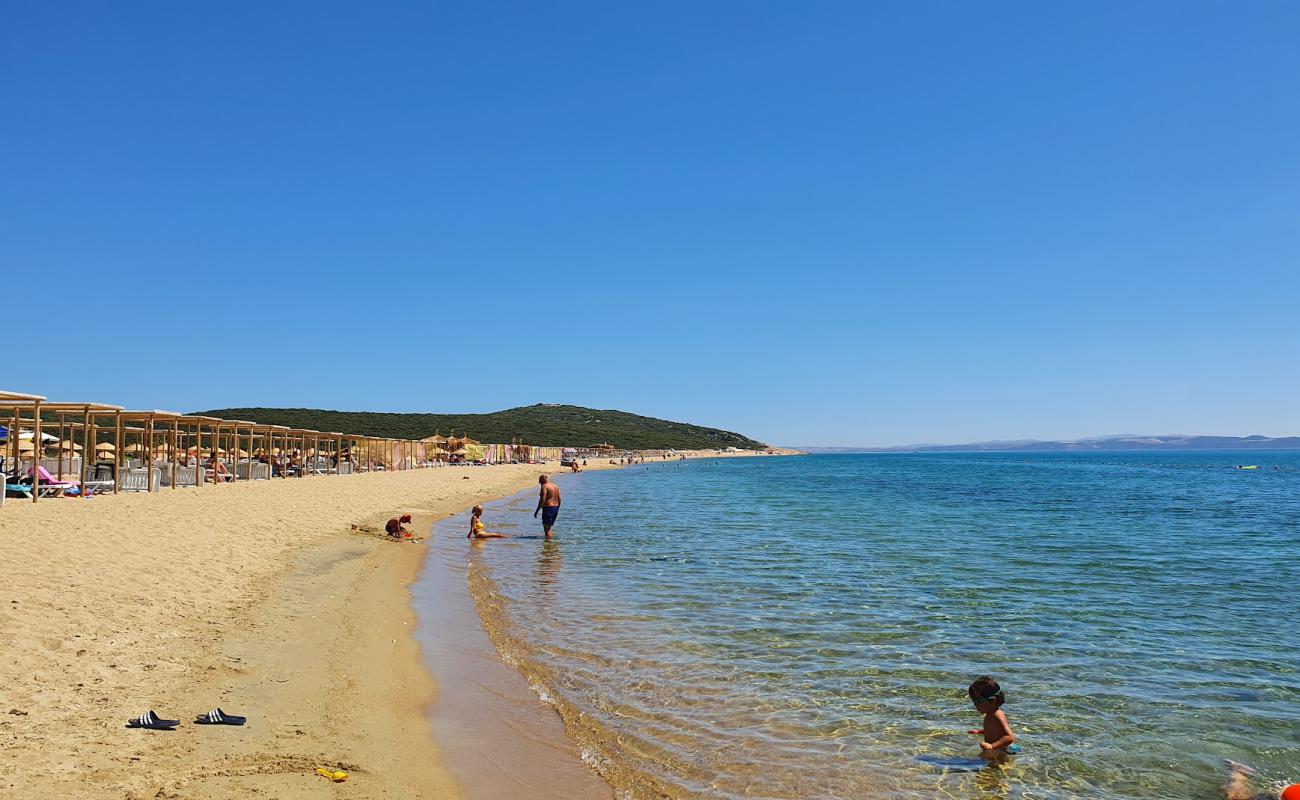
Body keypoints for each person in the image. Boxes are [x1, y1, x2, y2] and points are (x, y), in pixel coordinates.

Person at [967, 676, 1018, 756]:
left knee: (997, 766)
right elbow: (996, 730)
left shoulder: (996, 715)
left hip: (1003, 750)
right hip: (998, 748)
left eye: (978, 701)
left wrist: (992, 746)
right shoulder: (990, 714)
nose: (975, 705)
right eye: (974, 702)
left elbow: (1009, 737)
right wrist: (980, 732)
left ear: (992, 700)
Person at [534, 474, 561, 539]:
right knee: (548, 528)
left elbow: (543, 498)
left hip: (548, 508)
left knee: (547, 529)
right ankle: (551, 544)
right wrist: (557, 508)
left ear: (542, 480)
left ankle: (549, 547)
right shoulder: (555, 486)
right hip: (556, 507)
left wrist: (537, 511)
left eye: (539, 481)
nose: (539, 483)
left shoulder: (544, 486)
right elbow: (559, 498)